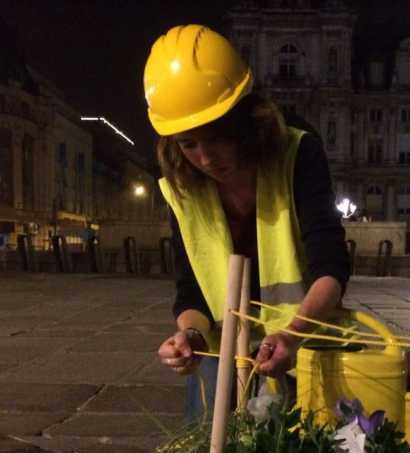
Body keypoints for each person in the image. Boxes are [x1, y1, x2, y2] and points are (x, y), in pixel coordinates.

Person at [145, 25, 349, 420]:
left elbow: (332, 265)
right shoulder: (181, 185)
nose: (204, 158)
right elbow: (191, 291)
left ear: (246, 119)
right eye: (188, 144)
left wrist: (291, 336)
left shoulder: (298, 153)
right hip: (223, 347)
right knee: (206, 451)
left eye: (216, 137)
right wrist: (188, 336)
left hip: (303, 334)